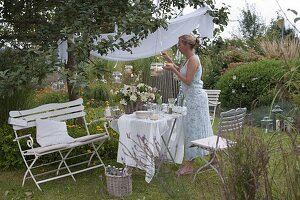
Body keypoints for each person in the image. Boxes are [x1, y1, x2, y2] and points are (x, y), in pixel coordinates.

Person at [161, 34, 213, 176]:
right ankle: (214, 158)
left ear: (186, 45)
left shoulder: (194, 59)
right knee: (200, 127)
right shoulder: (188, 60)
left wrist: (173, 70)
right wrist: (169, 60)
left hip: (196, 99)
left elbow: (188, 81)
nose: (178, 46)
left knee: (193, 129)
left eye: (179, 43)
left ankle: (189, 165)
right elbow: (182, 70)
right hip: (192, 99)